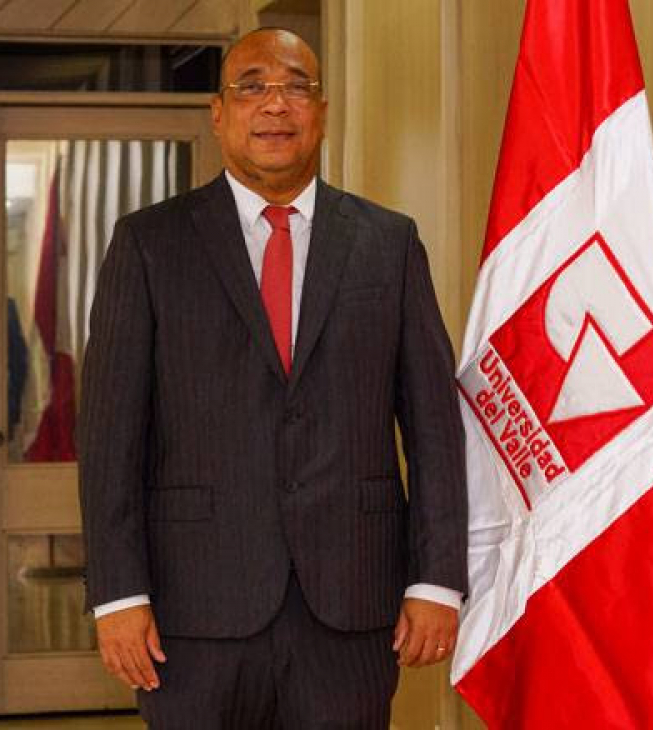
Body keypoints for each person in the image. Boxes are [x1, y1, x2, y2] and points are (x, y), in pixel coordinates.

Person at [78, 27, 468, 728]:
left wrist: (436, 578)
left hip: (352, 607)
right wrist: (118, 594)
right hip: (191, 612)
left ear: (322, 112)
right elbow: (110, 439)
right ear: (218, 112)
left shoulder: (389, 244)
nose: (275, 104)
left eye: (296, 87)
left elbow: (436, 427)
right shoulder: (149, 245)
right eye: (252, 87)